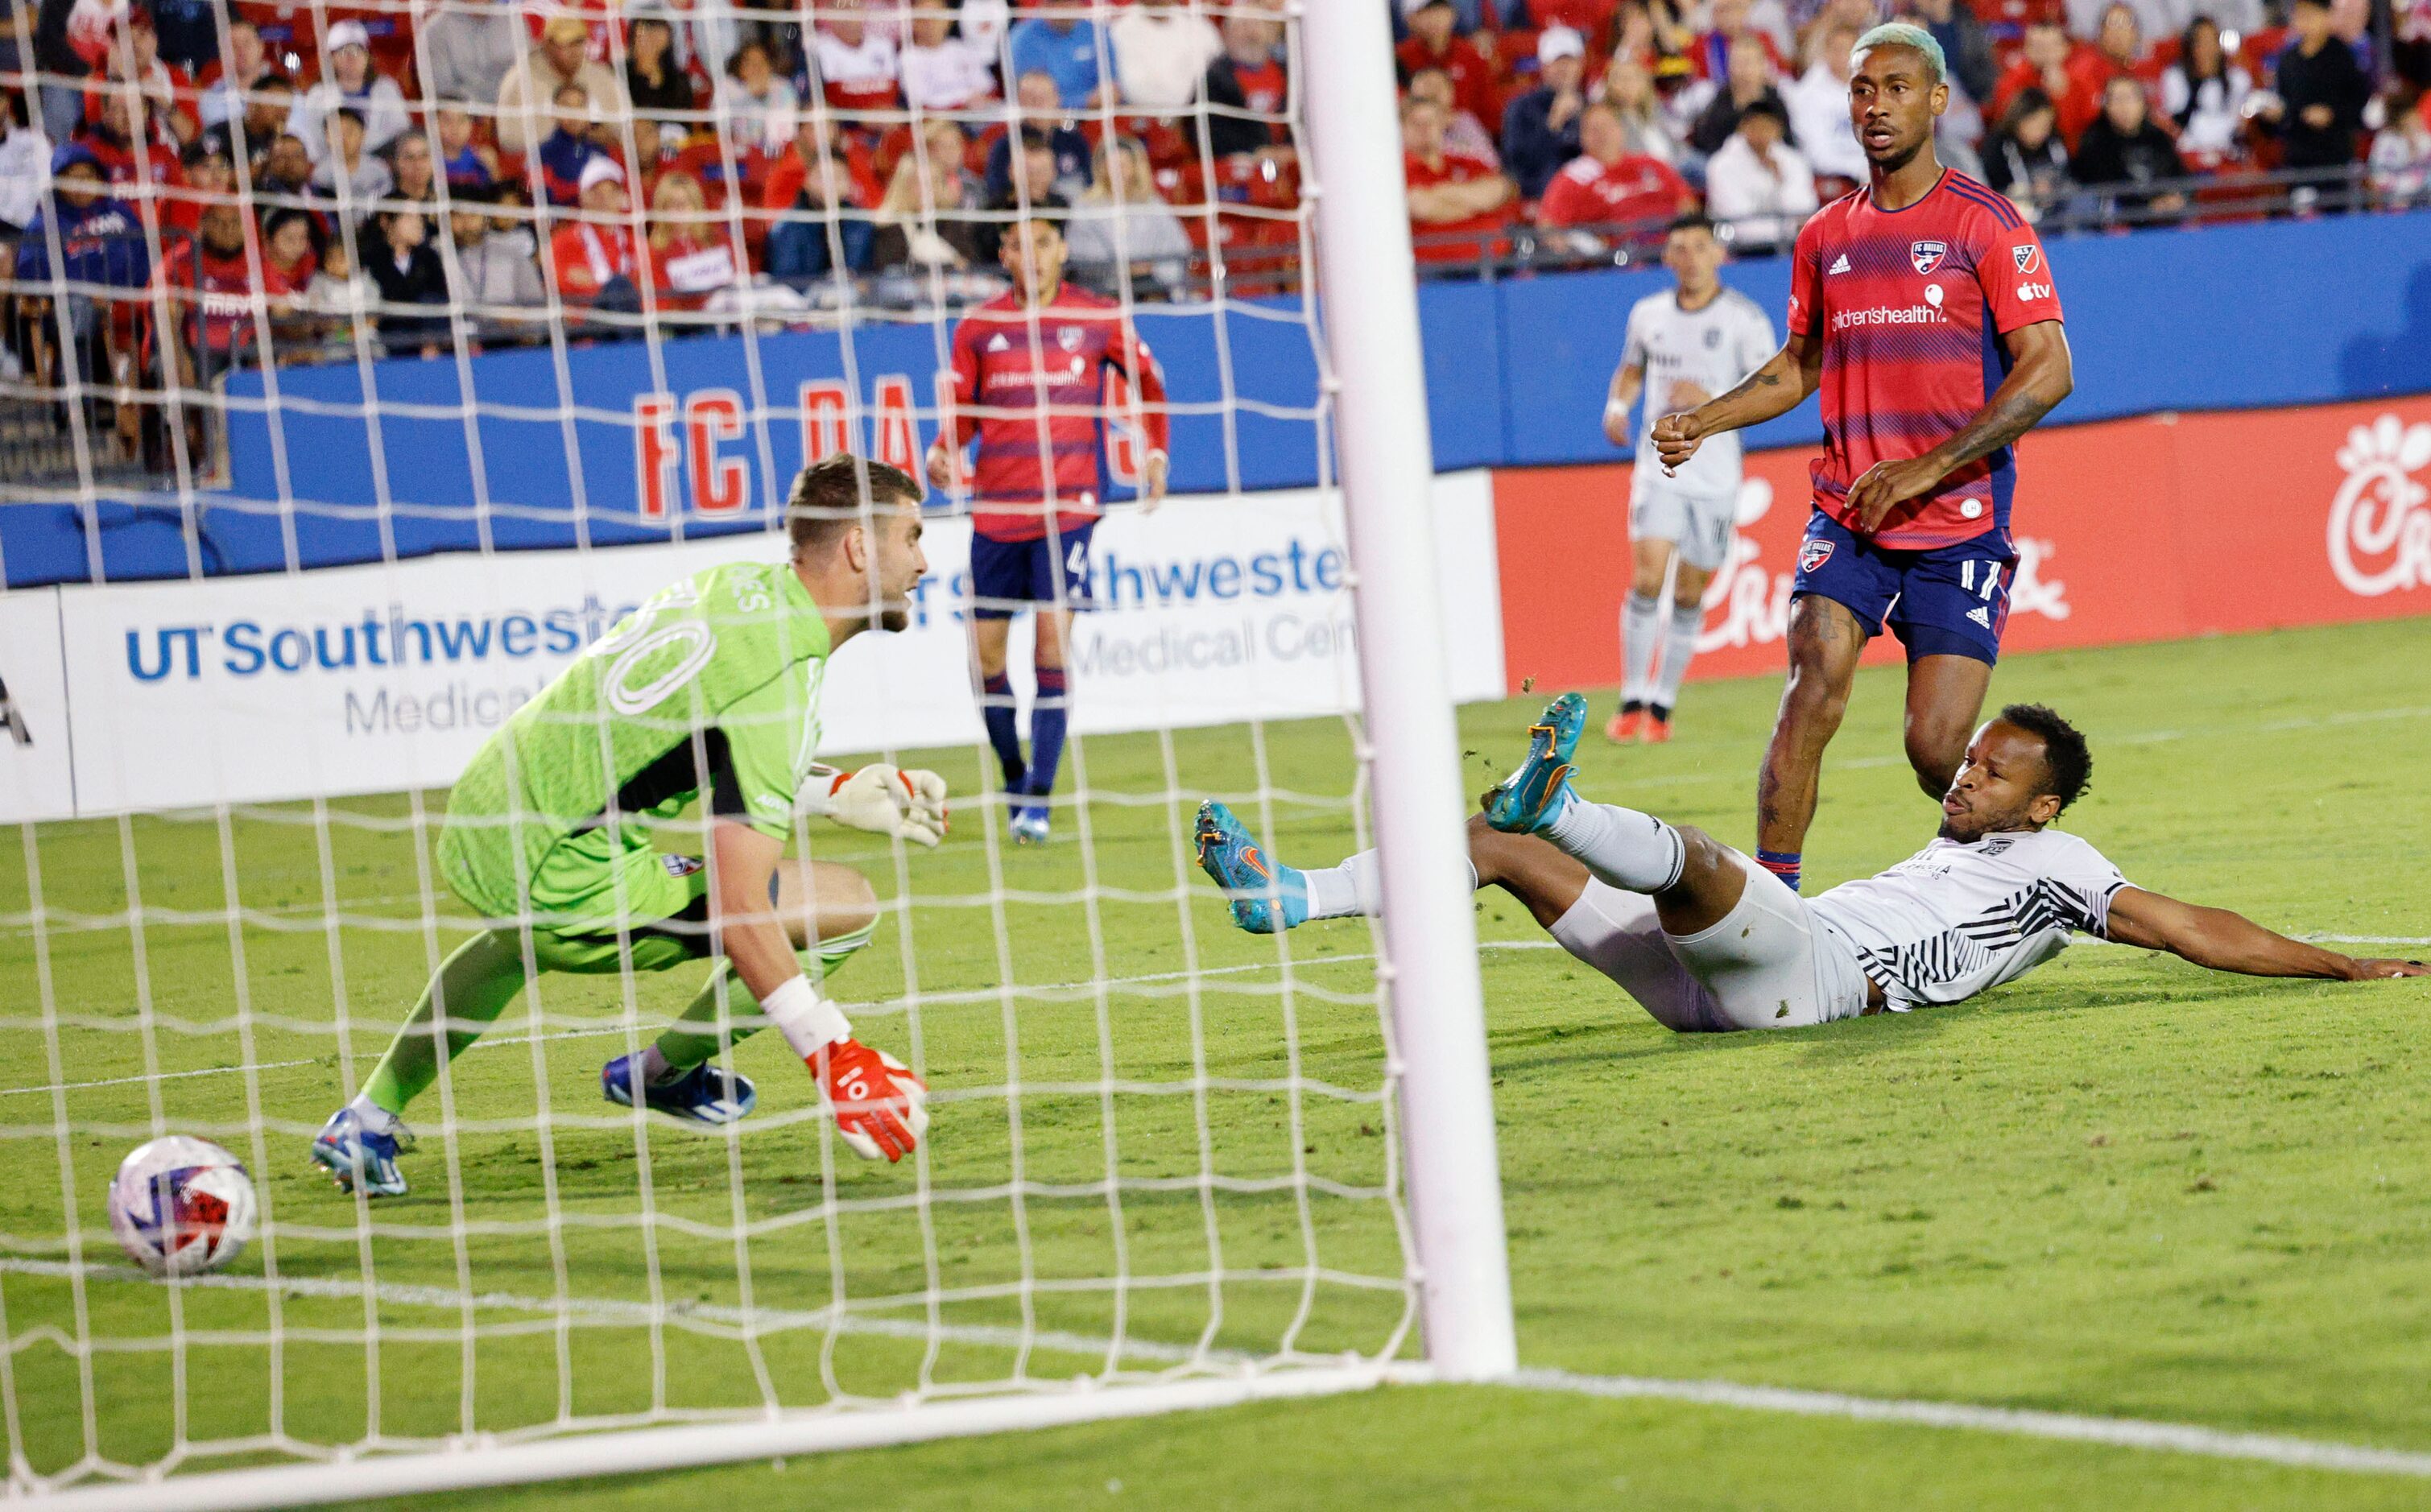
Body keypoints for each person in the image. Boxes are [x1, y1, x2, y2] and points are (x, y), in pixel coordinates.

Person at [309, 456, 945, 1197]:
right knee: (843, 906)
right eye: (912, 536)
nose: (923, 562)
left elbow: (693, 732)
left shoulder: (736, 590)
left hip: (490, 812)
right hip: (561, 878)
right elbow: (743, 910)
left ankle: (365, 1117)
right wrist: (834, 1053)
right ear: (860, 549)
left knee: (512, 946)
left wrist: (834, 792)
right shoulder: (781, 677)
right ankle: (659, 1073)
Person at [1195, 696, 2429, 1033]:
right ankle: (1287, 895)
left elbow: (2184, 924)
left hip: (1821, 984)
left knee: (1704, 864)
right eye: (1969, 763)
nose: (1963, 777)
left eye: (1990, 774)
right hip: (1712, 993)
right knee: (1489, 845)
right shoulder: (1958, 841)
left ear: (2039, 802)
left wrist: (2336, 966)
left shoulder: (2059, 862)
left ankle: (1565, 802)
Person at [1649, 23, 2073, 897]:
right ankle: (1771, 906)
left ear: (1936, 100)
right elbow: (1800, 365)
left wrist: (1925, 468)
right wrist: (1706, 418)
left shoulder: (1984, 224)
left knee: (1933, 752)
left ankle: (2013, 883)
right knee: (1812, 682)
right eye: (1860, 89)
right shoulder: (1825, 236)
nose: (1875, 105)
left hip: (1957, 523)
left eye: (1894, 87)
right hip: (1848, 512)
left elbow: (2050, 370)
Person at [925, 202, 1170, 847]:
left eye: (1040, 242)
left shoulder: (1098, 317)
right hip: (997, 513)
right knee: (985, 661)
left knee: (1051, 648)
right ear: (1002, 256)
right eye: (1014, 245)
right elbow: (965, 415)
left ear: (1060, 249)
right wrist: (943, 447)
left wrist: (1153, 450)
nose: (1028, 255)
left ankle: (1038, 796)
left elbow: (1149, 381)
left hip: (1069, 511)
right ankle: (1014, 775)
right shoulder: (978, 327)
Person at [1598, 214, 1776, 744]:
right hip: (1660, 468)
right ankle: (1631, 698)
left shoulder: (1744, 319)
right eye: (1679, 248)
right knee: (1647, 578)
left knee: (1689, 594)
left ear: (1718, 256)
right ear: (1668, 258)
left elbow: (1769, 388)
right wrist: (1616, 407)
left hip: (1716, 477)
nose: (1691, 257)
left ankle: (1662, 705)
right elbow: (1631, 367)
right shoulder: (1647, 314)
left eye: (1700, 246)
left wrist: (1708, 400)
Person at [1536, 98, 1695, 237]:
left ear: (1620, 130)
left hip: (1668, 254)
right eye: (1594, 130)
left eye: (1607, 126)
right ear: (1582, 137)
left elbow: (1686, 204)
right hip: (1613, 263)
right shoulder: (1574, 177)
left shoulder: (1652, 164)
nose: (1602, 134)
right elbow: (1548, 227)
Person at [1065, 134, 1193, 298]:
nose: (1118, 170)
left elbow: (1179, 247)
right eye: (1112, 164)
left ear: (1135, 167)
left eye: (1124, 164)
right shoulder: (1085, 205)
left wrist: (1154, 269)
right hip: (1105, 291)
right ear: (1101, 167)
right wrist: (1122, 270)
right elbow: (1079, 254)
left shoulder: (1152, 203)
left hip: (1152, 288)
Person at [2259, 0, 2372, 178]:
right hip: (2298, 159)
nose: (2306, 21)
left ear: (2326, 16)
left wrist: (2332, 114)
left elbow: (2360, 104)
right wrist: (2277, 114)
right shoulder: (2288, 60)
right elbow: (2284, 105)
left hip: (2336, 158)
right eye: (2301, 14)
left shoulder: (2342, 57)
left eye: (2311, 14)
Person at [1402, 93, 1517, 263]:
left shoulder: (1465, 162)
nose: (1424, 128)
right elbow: (1421, 207)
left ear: (1442, 124)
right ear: (1402, 127)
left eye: (1431, 122)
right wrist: (1472, 204)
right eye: (1416, 123)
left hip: (1495, 263)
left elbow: (1497, 191)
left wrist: (1438, 194)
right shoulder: (1396, 172)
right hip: (1430, 272)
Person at [495, 14, 626, 157]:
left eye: (576, 43)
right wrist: (562, 135)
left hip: (597, 160)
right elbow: (507, 139)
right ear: (546, 44)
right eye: (560, 45)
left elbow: (626, 130)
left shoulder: (602, 77)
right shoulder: (520, 79)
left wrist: (598, 135)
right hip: (542, 164)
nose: (568, 53)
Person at [1701, 96, 1819, 248]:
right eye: (1756, 126)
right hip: (1739, 250)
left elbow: (1804, 209)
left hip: (1790, 244)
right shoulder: (1721, 166)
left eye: (1768, 127)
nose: (1762, 133)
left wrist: (1780, 178)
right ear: (1743, 127)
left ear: (1779, 129)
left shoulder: (1794, 161)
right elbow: (1738, 221)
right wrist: (1783, 233)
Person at [286, 20, 407, 164]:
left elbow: (400, 133)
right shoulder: (318, 94)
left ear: (368, 56)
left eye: (357, 50)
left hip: (379, 165)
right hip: (330, 167)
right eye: (343, 51)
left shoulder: (387, 89)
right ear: (332, 58)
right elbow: (313, 143)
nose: (351, 57)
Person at [2070, 74, 2185, 220]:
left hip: (2165, 215)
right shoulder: (2094, 141)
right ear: (2106, 106)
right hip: (2120, 222)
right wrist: (2147, 207)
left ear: (2143, 103)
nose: (2124, 107)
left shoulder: (2158, 137)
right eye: (2117, 99)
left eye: (2130, 98)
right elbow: (2105, 187)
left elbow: (2179, 174)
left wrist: (2174, 197)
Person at [1503, 25, 1593, 200]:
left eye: (1570, 61)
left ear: (1580, 65)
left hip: (1589, 197)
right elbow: (1518, 165)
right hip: (1543, 197)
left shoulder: (1590, 107)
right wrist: (1554, 123)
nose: (1565, 68)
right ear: (1544, 66)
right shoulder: (1521, 108)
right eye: (1557, 62)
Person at [2159, 16, 2251, 161]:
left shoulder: (2238, 78)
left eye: (2211, 41)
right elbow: (2176, 123)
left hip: (2228, 153)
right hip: (2191, 154)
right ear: (2190, 47)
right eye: (2200, 42)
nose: (2207, 49)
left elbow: (2240, 124)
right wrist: (2198, 83)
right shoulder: (2175, 77)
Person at [1107, 0, 1222, 114]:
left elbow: (1221, 76)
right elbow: (1130, 90)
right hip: (1143, 121)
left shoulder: (1202, 29)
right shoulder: (1119, 31)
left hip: (1199, 117)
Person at [1202, 10, 1290, 159]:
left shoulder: (1288, 73)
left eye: (1256, 24)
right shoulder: (1215, 81)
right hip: (1244, 163)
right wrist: (1253, 151)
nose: (1251, 33)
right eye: (1242, 25)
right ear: (1226, 34)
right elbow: (1212, 132)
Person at [362, 206, 449, 356]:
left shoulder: (429, 257)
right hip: (393, 334)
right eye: (409, 217)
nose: (419, 223)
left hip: (432, 332)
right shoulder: (371, 258)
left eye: (420, 217)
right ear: (386, 221)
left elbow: (439, 295)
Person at [420, 0, 526, 114]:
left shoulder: (515, 23)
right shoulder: (435, 31)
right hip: (464, 120)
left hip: (514, 114)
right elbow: (443, 91)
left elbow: (528, 76)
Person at [1981, 85, 2072, 209]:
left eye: (2046, 124)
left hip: (2057, 209)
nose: (2042, 131)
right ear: (2020, 119)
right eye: (2036, 122)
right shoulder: (1998, 146)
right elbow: (1992, 187)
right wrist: (2030, 190)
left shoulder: (2053, 143)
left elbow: (2067, 174)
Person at [900, 0, 998, 113]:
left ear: (948, 20)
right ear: (913, 24)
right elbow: (920, 100)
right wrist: (963, 99)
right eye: (924, 20)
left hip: (978, 110)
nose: (931, 24)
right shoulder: (909, 57)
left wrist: (975, 98)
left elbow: (986, 84)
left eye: (936, 18)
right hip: (942, 118)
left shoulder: (961, 49)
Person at [1004, 6, 1108, 110]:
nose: (1065, 7)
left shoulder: (1097, 31)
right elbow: (1031, 96)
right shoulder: (1023, 37)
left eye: (1069, 2)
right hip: (1046, 117)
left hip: (1093, 115)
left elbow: (1112, 89)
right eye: (1059, 2)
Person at [624, 10, 699, 118]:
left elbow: (685, 125)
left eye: (656, 29)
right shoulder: (620, 76)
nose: (650, 37)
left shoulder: (680, 81)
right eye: (644, 30)